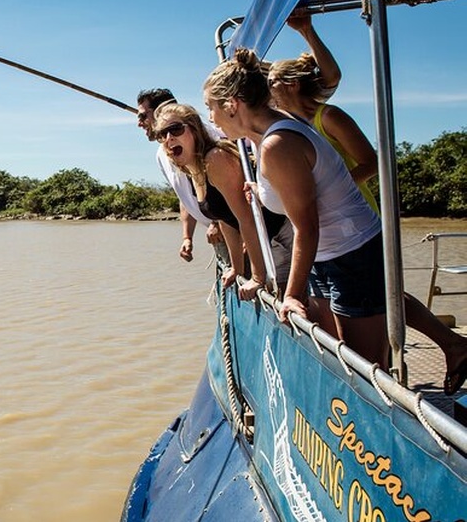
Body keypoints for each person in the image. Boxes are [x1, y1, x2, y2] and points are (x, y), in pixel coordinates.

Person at [268, 50, 467, 395]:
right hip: (325, 228)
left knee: (377, 299)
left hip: (351, 217)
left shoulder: (327, 117)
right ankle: (450, 344)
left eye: (271, 83)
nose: (267, 90)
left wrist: (331, 187)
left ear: (292, 84)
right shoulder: (289, 126)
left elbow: (371, 162)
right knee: (382, 298)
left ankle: (436, 352)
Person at [203, 48, 390, 370]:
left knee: (365, 370)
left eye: (211, 107)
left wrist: (290, 295)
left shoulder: (278, 144)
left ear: (232, 105)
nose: (210, 118)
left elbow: (307, 226)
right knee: (333, 358)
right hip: (326, 256)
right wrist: (262, 190)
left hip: (352, 253)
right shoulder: (270, 132)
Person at [152, 102, 293, 298]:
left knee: (292, 301)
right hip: (267, 239)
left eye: (175, 129)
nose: (169, 138)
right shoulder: (194, 170)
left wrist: (257, 277)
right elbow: (225, 219)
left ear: (194, 129)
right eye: (161, 134)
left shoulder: (215, 159)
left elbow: (247, 218)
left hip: (284, 232)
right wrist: (236, 269)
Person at [137, 88, 222, 263]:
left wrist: (219, 222)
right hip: (219, 237)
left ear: (162, 111)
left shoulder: (203, 137)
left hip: (236, 229)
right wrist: (187, 237)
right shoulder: (163, 153)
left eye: (143, 116)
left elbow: (230, 186)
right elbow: (185, 196)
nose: (140, 123)